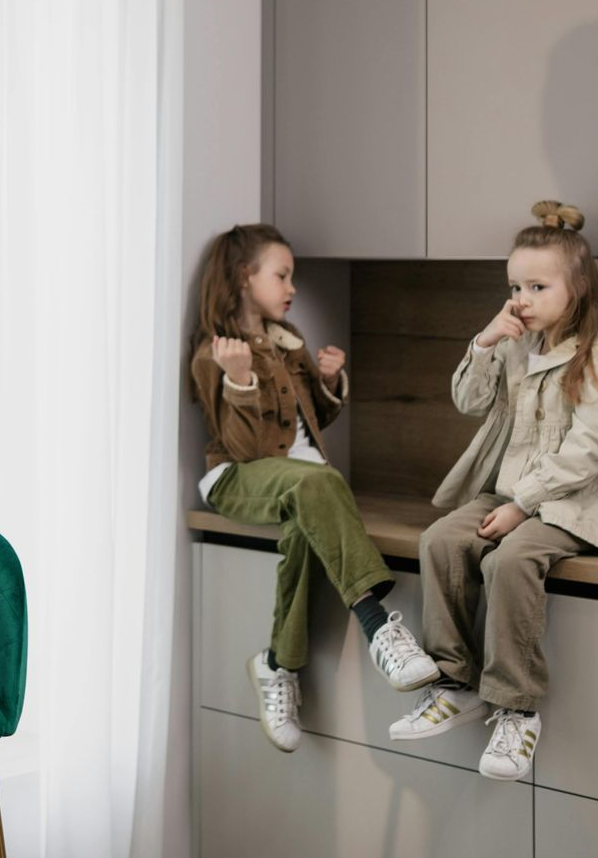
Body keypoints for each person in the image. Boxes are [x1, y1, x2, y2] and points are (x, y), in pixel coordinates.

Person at [391, 214, 598, 781]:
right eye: (514, 287)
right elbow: (469, 401)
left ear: (576, 289)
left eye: (537, 287)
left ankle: (516, 706)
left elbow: (589, 452)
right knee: (440, 540)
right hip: (511, 491)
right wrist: (486, 339)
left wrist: (522, 505)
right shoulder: (515, 347)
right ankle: (454, 681)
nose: (522, 299)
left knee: (512, 558)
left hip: (577, 501)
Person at [188, 223, 439, 754]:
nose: (292, 287)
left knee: (310, 503)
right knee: (316, 481)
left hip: (304, 483)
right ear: (242, 277)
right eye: (282, 275)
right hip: (240, 477)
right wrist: (239, 381)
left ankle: (277, 664)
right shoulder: (216, 352)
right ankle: (379, 628)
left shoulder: (288, 342)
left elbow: (317, 417)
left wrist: (330, 381)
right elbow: (245, 447)